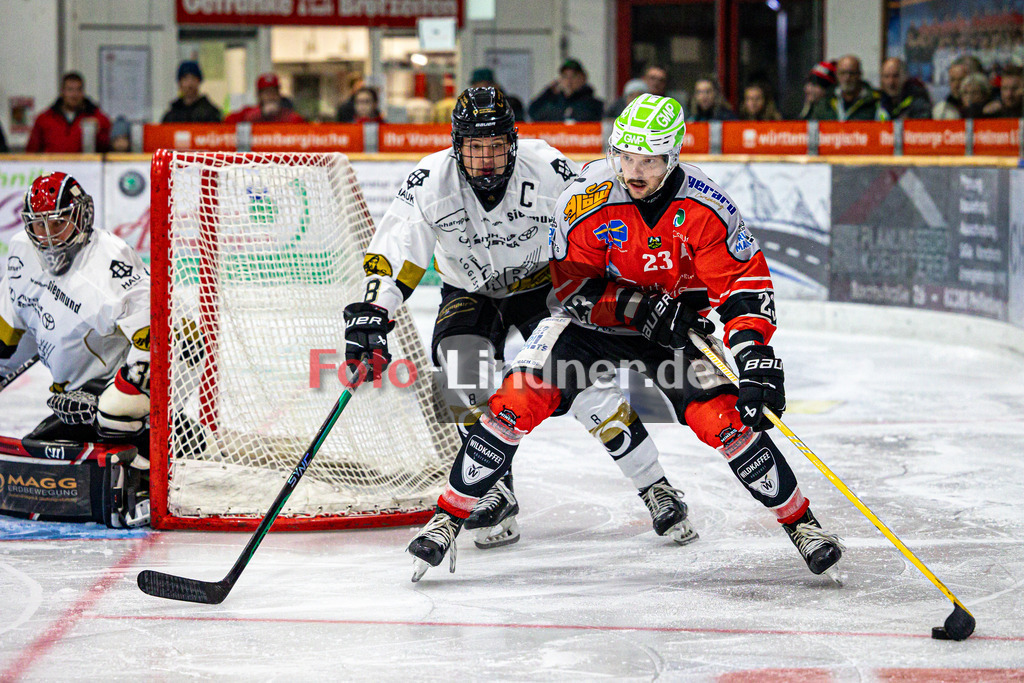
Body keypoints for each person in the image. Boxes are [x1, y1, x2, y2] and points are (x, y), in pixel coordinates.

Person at [407, 94, 845, 583]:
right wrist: (636, 307)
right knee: (515, 398)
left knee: (726, 421)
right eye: (627, 158)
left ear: (672, 157)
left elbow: (742, 287)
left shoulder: (706, 207)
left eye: (649, 160)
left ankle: (803, 525)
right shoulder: (586, 197)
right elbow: (570, 284)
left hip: (675, 332)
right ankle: (449, 515)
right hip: (589, 327)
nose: (634, 172)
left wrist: (755, 355)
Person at [345, 87, 696, 552]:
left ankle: (655, 487)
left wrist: (631, 285)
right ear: (456, 145)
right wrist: (374, 313)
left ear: (513, 142)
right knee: (459, 371)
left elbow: (600, 220)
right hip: (471, 291)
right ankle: (496, 490)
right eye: (475, 147)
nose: (486, 159)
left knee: (588, 386)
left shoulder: (548, 168)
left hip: (542, 290)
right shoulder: (430, 181)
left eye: (495, 147)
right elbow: (397, 251)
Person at [0, 173, 151, 527]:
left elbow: (155, 342)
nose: (49, 237)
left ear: (81, 218)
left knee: (116, 411)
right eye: (40, 226)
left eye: (59, 224)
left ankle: (145, 480)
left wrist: (109, 397)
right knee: (41, 453)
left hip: (129, 386)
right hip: (76, 397)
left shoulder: (112, 262)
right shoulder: (22, 251)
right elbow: (9, 335)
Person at [26, 72, 111, 153]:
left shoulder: (98, 118)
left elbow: (109, 149)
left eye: (79, 90)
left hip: (85, 167)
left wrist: (98, 132)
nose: (74, 94)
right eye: (70, 90)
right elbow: (31, 152)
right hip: (52, 167)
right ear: (62, 92)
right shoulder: (45, 119)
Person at [809, 55, 887, 121]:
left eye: (851, 73)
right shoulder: (826, 101)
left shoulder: (876, 101)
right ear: (836, 75)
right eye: (843, 73)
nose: (847, 78)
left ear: (860, 74)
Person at [528, 59, 604, 122]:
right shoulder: (553, 102)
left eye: (573, 76)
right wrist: (549, 92)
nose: (569, 81)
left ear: (583, 78)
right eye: (565, 76)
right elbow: (532, 112)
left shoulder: (594, 104)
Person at [225, 73, 305, 124]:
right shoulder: (249, 114)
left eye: (274, 92)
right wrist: (255, 116)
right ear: (259, 95)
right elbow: (226, 122)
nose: (271, 96)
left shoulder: (289, 116)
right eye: (266, 92)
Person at [933, 55, 983, 119]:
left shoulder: (991, 109)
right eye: (952, 80)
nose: (956, 85)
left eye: (961, 80)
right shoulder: (941, 111)